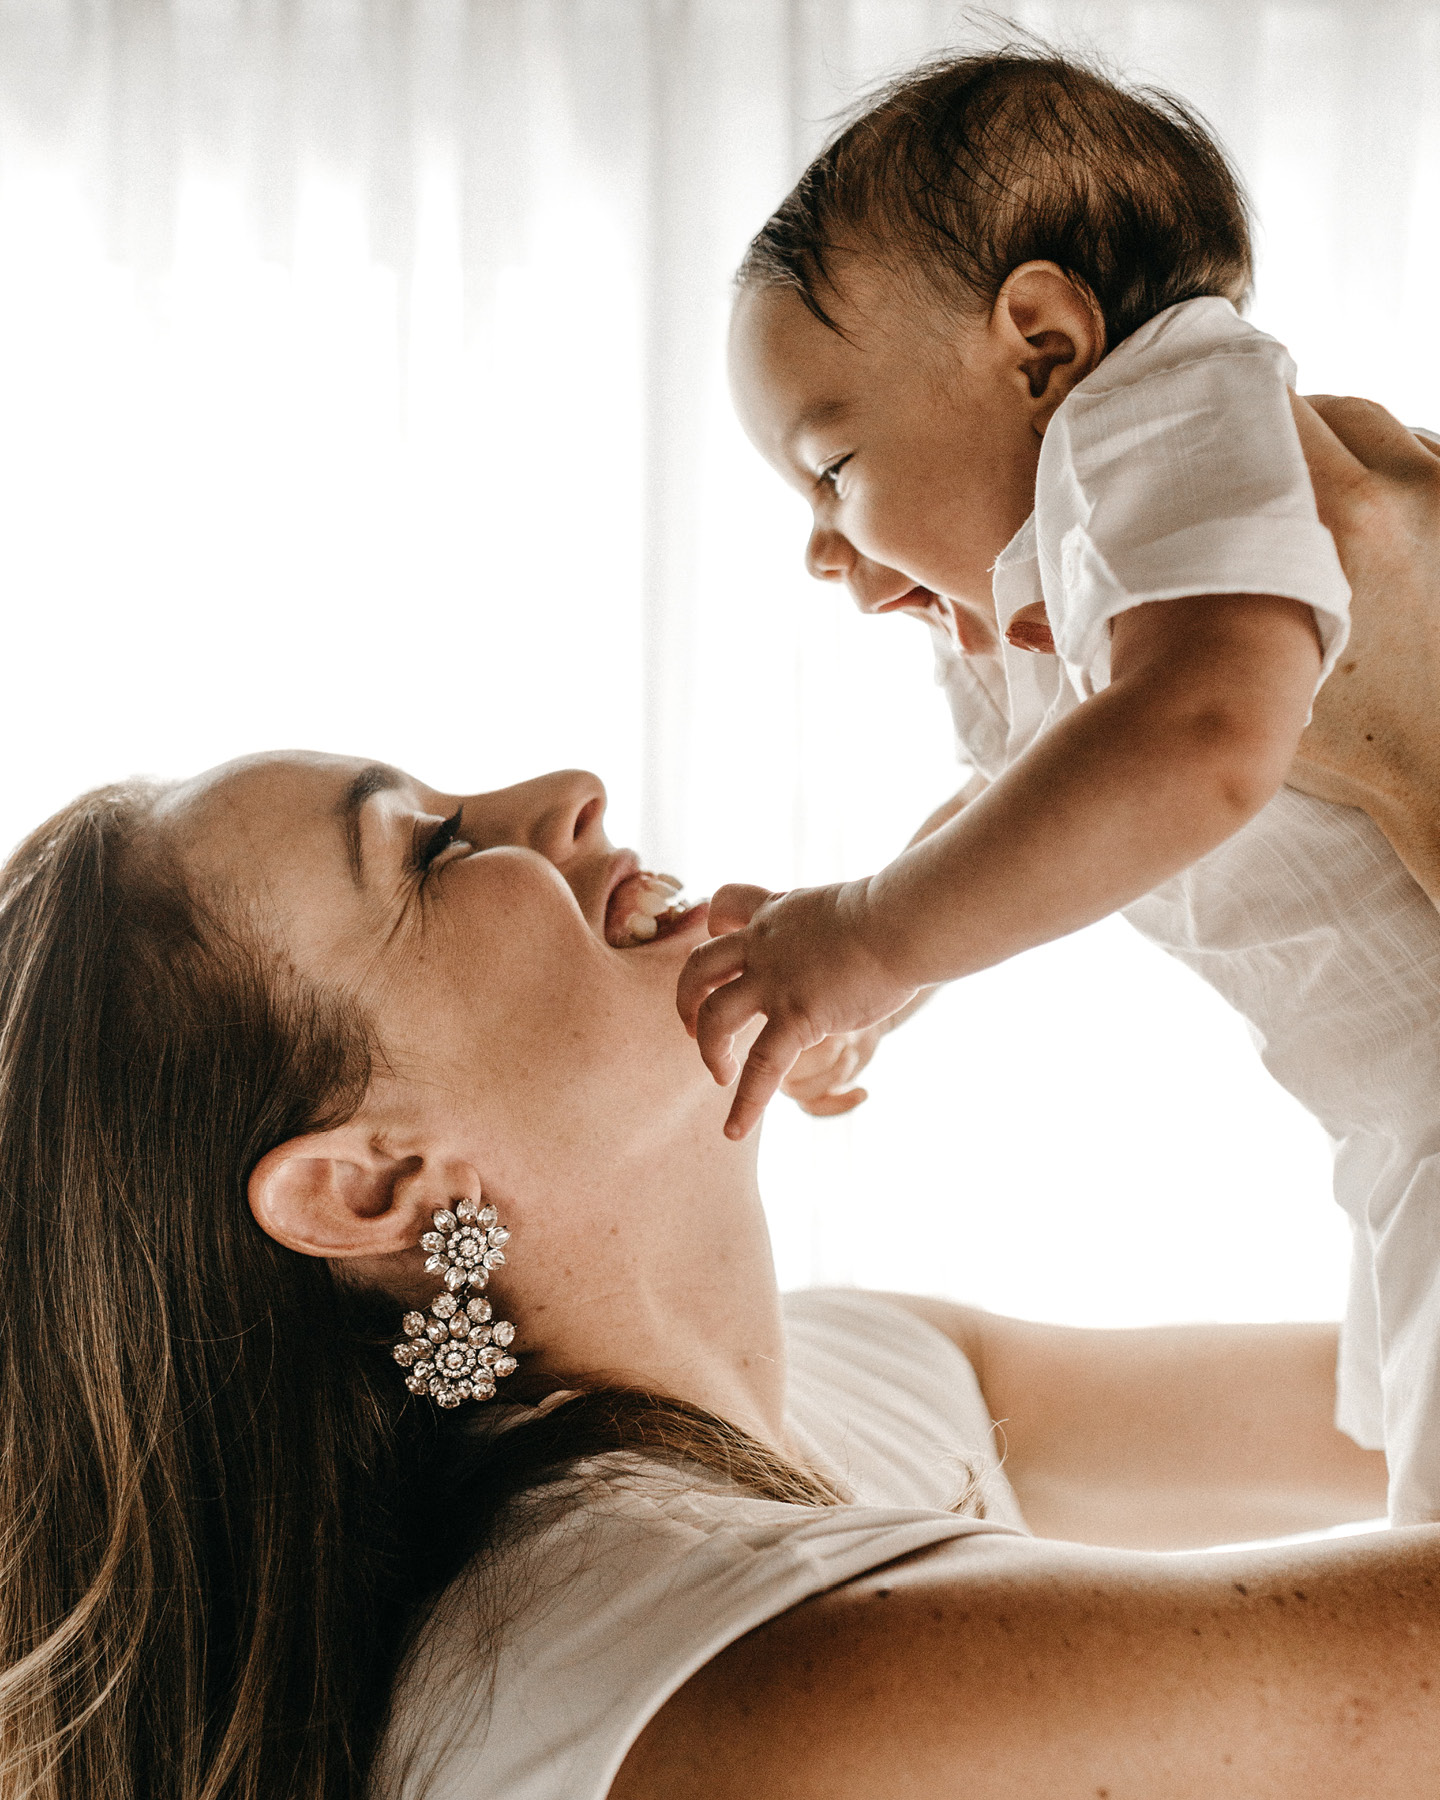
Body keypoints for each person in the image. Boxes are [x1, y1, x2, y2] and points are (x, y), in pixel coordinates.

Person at [1, 396, 1438, 1800]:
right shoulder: (727, 1683)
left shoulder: (845, 1381)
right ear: (373, 1182)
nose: (565, 790)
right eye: (433, 852)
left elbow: (1389, 1395)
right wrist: (1409, 746)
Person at [678, 48, 1440, 1524]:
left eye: (832, 467)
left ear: (1041, 343)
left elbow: (1203, 740)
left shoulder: (1163, 412)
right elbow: (1031, 793)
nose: (823, 549)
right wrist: (880, 972)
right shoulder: (1074, 571)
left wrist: (872, 937)